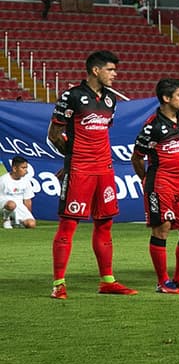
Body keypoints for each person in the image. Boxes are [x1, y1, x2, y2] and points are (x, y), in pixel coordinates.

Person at [48, 50, 136, 299]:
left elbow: (101, 133)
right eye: (111, 70)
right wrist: (71, 159)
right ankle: (59, 284)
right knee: (68, 224)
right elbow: (54, 135)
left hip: (105, 169)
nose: (115, 75)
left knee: (105, 224)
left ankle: (107, 280)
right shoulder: (72, 96)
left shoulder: (110, 100)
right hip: (81, 170)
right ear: (95, 70)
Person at [131, 78, 179, 294]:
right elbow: (137, 158)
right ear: (166, 98)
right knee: (162, 230)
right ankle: (163, 281)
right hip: (160, 184)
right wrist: (147, 180)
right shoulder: (152, 126)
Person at [1, 156, 40, 229]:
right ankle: (6, 219)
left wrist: (28, 214)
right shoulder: (3, 180)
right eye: (23, 168)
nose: (26, 171)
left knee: (31, 224)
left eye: (26, 168)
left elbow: (27, 200)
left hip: (19, 206)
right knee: (11, 204)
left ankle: (16, 223)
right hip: (5, 205)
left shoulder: (26, 181)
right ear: (15, 168)